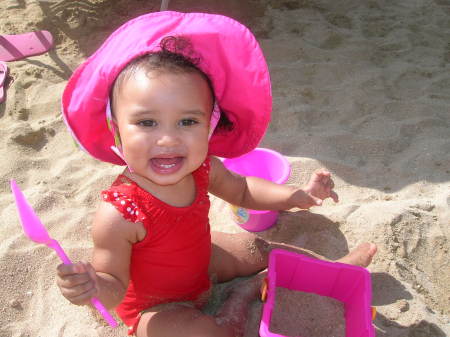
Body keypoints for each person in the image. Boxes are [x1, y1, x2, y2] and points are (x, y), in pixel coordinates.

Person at [56, 11, 377, 337]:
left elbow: (242, 190)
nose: (168, 140)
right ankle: (237, 304)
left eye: (188, 122)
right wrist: (93, 286)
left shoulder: (202, 166)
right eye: (147, 122)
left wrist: (296, 196)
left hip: (201, 262)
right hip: (155, 307)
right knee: (202, 332)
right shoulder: (119, 213)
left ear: (209, 127)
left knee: (260, 247)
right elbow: (114, 286)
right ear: (116, 130)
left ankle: (332, 272)